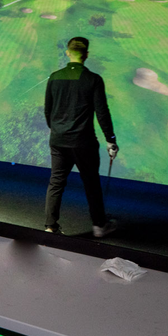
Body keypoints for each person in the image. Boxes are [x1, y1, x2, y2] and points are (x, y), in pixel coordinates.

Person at [43, 37, 119, 238]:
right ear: (86, 55)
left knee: (56, 182)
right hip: (83, 142)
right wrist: (110, 140)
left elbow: (48, 111)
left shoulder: (54, 77)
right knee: (91, 183)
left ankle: (50, 227)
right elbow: (102, 113)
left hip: (58, 140)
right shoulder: (93, 79)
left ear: (67, 52)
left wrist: (57, 130)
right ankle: (99, 225)